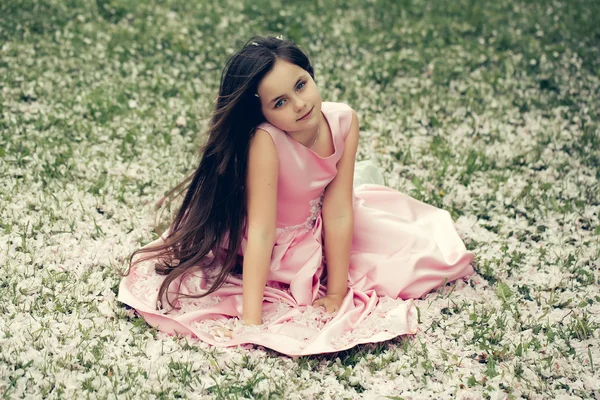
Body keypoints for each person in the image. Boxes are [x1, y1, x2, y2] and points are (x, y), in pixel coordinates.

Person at [117, 35, 474, 357]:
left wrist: (335, 292)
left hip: (322, 220)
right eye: (280, 102)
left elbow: (337, 209)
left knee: (413, 253)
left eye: (302, 85)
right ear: (264, 112)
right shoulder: (267, 141)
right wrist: (251, 322)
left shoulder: (345, 121)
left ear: (311, 74)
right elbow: (260, 229)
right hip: (273, 238)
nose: (300, 105)